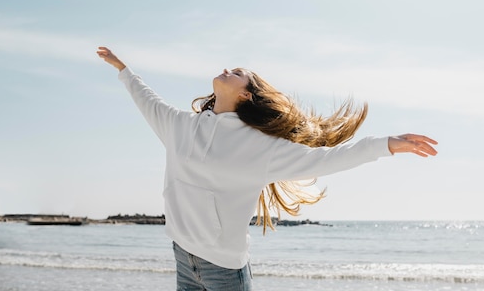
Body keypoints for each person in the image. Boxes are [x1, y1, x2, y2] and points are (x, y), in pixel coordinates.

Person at [96, 46, 438, 291]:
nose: (229, 69)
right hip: (183, 257)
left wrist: (386, 145)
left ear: (247, 95)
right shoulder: (180, 125)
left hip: (224, 271)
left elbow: (327, 159)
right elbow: (147, 99)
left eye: (239, 73)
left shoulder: (261, 149)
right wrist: (123, 70)